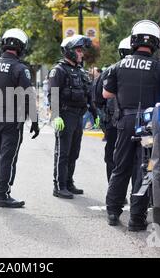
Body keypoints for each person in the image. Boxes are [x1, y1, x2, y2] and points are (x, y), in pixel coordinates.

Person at [103, 20, 160, 230]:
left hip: (125, 122)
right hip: (148, 125)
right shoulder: (159, 68)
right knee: (145, 169)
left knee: (120, 167)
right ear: (155, 43)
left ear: (134, 40)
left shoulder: (118, 66)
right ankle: (136, 219)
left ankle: (112, 211)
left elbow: (106, 93)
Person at [0, 28, 40, 208]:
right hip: (12, 120)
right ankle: (2, 194)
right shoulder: (20, 69)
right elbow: (28, 96)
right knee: (8, 157)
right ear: (21, 47)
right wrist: (34, 120)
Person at [48, 34, 96, 199]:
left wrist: (95, 113)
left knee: (74, 151)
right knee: (63, 152)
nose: (81, 53)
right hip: (65, 114)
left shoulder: (80, 71)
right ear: (69, 51)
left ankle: (68, 182)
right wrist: (56, 116)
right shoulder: (58, 70)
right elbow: (53, 94)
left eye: (82, 50)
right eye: (78, 50)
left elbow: (88, 94)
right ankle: (59, 185)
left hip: (78, 116)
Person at [94, 36, 131, 182]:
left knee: (113, 157)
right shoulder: (151, 68)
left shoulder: (111, 70)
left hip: (114, 121)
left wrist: (104, 119)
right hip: (137, 122)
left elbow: (97, 98)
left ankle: (114, 191)